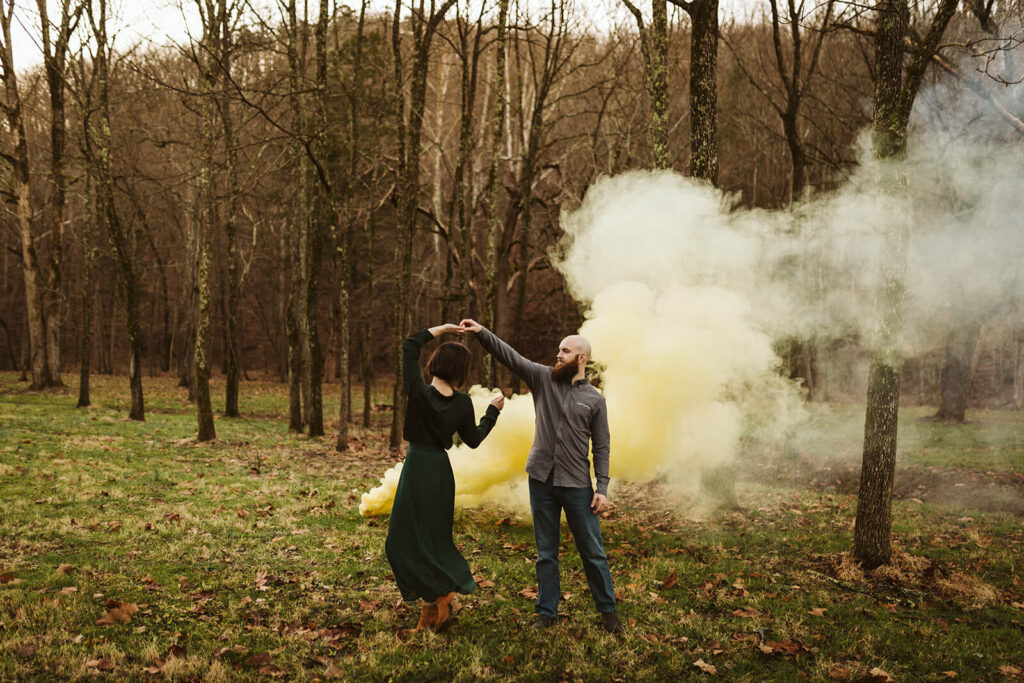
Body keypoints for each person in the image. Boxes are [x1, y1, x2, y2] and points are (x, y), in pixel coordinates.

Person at [459, 319, 622, 634]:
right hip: (541, 480)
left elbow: (602, 447)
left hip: (577, 486)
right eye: (558, 349)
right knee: (546, 553)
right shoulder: (542, 378)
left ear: (582, 359)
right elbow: (510, 356)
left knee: (593, 552)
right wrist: (481, 333)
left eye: (565, 350)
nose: (558, 354)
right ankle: (546, 612)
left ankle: (608, 613)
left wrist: (601, 487)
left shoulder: (595, 400)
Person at [385, 324, 505, 632]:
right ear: (461, 372)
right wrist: (492, 412)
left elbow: (409, 345)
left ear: (435, 362)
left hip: (418, 468)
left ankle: (439, 598)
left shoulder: (419, 392)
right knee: (433, 540)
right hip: (440, 471)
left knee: (402, 542)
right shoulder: (463, 403)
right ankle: (436, 604)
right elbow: (474, 439)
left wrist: (437, 330)